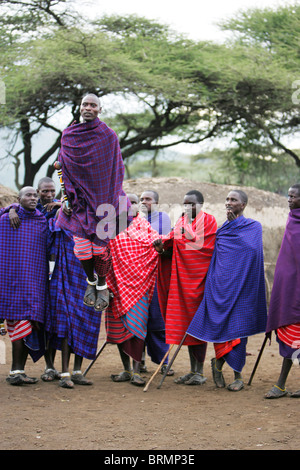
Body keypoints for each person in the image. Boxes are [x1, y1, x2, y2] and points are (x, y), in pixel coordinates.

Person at [56, 93, 130, 312]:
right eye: (84, 104)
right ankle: (91, 281)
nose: (88, 108)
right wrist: (65, 195)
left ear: (100, 109)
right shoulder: (69, 135)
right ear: (79, 107)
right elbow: (65, 167)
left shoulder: (108, 136)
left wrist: (108, 201)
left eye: (93, 105)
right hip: (78, 201)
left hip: (104, 198)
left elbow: (115, 170)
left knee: (99, 248)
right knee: (81, 247)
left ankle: (102, 283)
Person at [187, 190, 267, 391]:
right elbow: (214, 256)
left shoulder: (253, 227)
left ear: (243, 205)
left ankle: (235, 374)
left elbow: (252, 252)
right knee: (222, 328)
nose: (229, 203)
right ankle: (221, 364)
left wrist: (235, 226)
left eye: (234, 200)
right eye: (227, 199)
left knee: (239, 332)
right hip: (221, 287)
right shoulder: (222, 230)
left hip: (243, 289)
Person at [154, 190, 217, 385]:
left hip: (199, 281)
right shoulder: (181, 221)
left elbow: (203, 247)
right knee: (186, 326)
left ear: (201, 204)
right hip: (181, 281)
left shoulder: (209, 221)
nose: (187, 207)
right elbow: (174, 239)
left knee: (198, 325)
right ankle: (192, 370)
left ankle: (199, 371)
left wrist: (175, 242)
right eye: (185, 204)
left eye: (191, 204)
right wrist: (162, 245)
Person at [105, 194, 161, 386]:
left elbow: (157, 247)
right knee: (120, 329)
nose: (131, 205)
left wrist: (161, 247)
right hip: (116, 287)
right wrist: (106, 285)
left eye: (135, 202)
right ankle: (127, 369)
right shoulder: (111, 228)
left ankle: (137, 371)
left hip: (140, 286)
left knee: (137, 330)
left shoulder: (145, 227)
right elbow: (104, 257)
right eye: (127, 202)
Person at [0, 187, 49, 385]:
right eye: (28, 195)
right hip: (11, 285)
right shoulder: (5, 221)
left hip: (33, 284)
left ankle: (17, 371)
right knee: (20, 325)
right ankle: (16, 371)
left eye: (34, 195)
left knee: (29, 326)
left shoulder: (41, 221)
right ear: (18, 199)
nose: (32, 198)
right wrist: (10, 210)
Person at [265, 184, 300, 399]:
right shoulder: (292, 219)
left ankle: (280, 384)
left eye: (293, 197)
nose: (289, 200)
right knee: (290, 335)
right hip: (290, 288)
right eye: (288, 196)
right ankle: (280, 384)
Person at [139, 190, 172, 375]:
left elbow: (163, 243)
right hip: (139, 277)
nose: (144, 202)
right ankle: (140, 362)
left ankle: (164, 363)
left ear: (156, 203)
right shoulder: (136, 221)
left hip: (157, 276)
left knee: (158, 321)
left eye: (148, 199)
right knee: (139, 321)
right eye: (142, 199)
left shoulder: (163, 219)